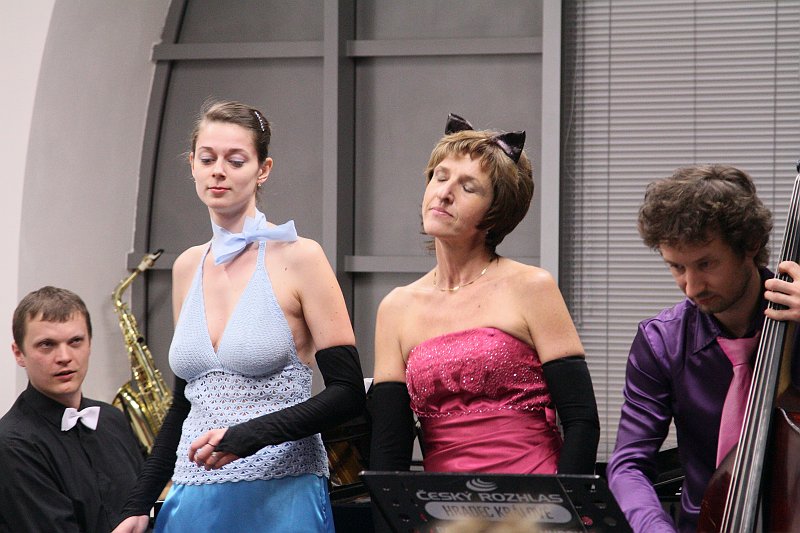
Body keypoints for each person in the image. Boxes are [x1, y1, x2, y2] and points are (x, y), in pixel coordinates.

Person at [114, 100, 366, 533]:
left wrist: (251, 435)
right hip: (193, 496)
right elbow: (184, 402)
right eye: (207, 159)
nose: (218, 171)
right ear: (192, 165)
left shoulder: (299, 257)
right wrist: (138, 502)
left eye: (235, 160)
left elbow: (347, 392)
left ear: (262, 169)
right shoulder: (187, 266)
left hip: (281, 493)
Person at [368, 113, 600, 476]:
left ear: (495, 212)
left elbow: (582, 421)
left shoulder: (531, 287)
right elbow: (389, 447)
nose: (444, 192)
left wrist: (562, 505)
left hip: (537, 501)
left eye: (468, 187)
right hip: (440, 506)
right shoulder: (396, 307)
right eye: (440, 176)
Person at [606, 164, 800, 533]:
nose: (692, 287)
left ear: (750, 245)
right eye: (677, 267)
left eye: (706, 264)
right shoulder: (661, 342)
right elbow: (629, 465)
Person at [0, 286, 144, 532]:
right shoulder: (12, 444)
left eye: (75, 341)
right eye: (47, 344)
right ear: (19, 353)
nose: (64, 356)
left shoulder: (113, 419)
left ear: (89, 344)